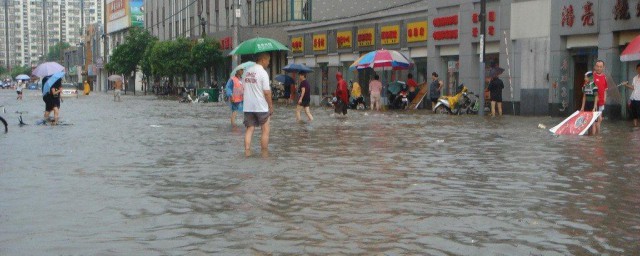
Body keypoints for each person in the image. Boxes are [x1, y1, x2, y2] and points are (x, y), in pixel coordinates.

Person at [242, 52, 274, 157]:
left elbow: (243, 88)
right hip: (261, 106)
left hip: (248, 106)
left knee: (249, 129)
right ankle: (264, 154)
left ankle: (247, 151)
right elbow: (267, 92)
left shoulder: (246, 72)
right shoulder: (263, 73)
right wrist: (271, 106)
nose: (268, 63)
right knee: (265, 129)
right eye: (268, 61)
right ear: (263, 60)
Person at [592, 60, 608, 134]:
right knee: (595, 120)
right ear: (595, 67)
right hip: (593, 102)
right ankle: (594, 137)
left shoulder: (604, 77)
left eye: (600, 67)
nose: (599, 68)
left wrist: (605, 98)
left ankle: (597, 137)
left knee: (600, 119)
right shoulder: (592, 76)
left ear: (603, 67)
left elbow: (605, 89)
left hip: (601, 102)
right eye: (597, 66)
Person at [623, 63, 640, 127]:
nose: (639, 70)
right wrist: (625, 85)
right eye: (638, 69)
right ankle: (635, 126)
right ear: (636, 69)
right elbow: (633, 87)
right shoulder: (635, 78)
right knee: (634, 114)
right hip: (633, 98)